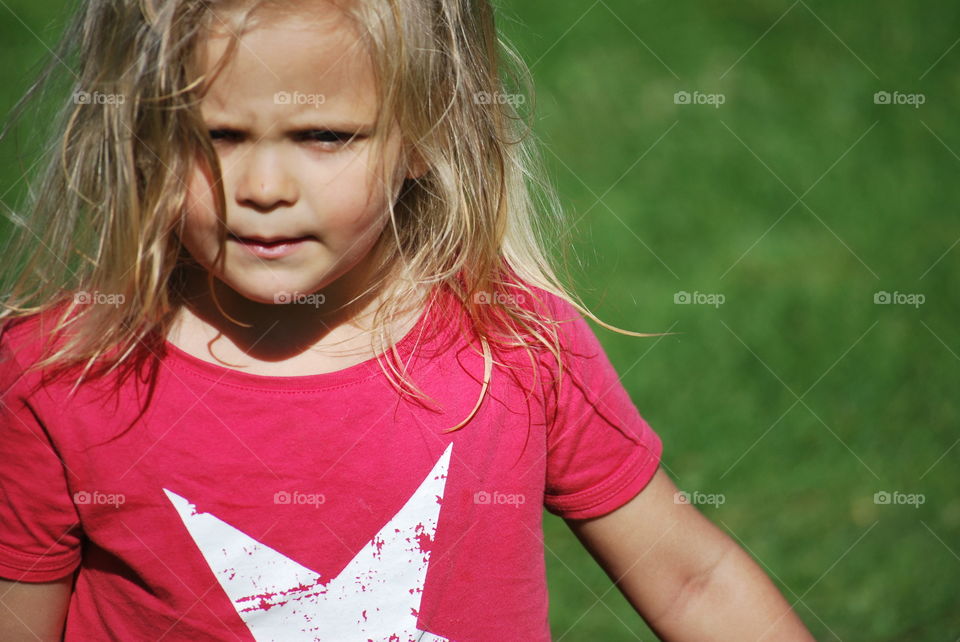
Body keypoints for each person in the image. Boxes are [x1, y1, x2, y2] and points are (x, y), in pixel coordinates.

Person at [0, 0, 815, 640]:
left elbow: (691, 581)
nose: (263, 185)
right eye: (213, 135)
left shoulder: (515, 347)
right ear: (137, 133)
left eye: (324, 135)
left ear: (428, 131)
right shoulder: (61, 376)